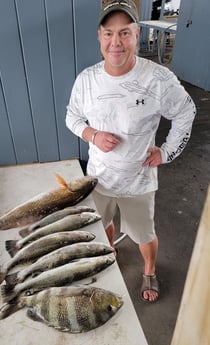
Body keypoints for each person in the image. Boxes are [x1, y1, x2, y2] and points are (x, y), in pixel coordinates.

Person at [65, 0, 196, 303]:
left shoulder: (158, 79)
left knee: (144, 235)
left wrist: (166, 152)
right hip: (99, 177)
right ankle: (108, 251)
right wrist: (92, 134)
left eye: (125, 33)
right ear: (99, 37)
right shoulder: (86, 80)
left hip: (138, 181)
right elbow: (72, 116)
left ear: (137, 34)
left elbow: (187, 110)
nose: (116, 42)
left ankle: (149, 270)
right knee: (101, 225)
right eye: (109, 33)